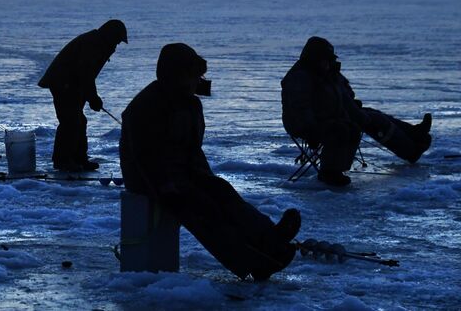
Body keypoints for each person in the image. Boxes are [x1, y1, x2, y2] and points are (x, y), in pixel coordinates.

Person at [120, 43, 300, 280]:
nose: (199, 81)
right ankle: (254, 261)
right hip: (149, 177)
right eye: (194, 75)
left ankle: (269, 237)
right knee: (203, 208)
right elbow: (145, 156)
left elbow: (191, 148)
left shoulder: (189, 102)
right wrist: (167, 187)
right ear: (178, 75)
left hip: (180, 169)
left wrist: (204, 176)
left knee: (222, 191)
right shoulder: (148, 105)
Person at [281, 36, 432, 186]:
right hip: (306, 123)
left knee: (374, 115)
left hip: (332, 114)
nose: (327, 62)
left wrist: (341, 87)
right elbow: (300, 109)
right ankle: (331, 172)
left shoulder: (327, 73)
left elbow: (348, 95)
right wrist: (312, 130)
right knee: (350, 126)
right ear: (314, 58)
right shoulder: (300, 77)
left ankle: (414, 133)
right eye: (325, 59)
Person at [38, 19, 127, 171]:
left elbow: (85, 76)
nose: (116, 46)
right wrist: (93, 98)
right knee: (70, 121)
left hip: (71, 84)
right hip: (62, 83)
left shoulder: (98, 42)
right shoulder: (93, 44)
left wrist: (89, 96)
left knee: (79, 120)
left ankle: (79, 158)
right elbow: (85, 74)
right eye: (117, 41)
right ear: (110, 36)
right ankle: (63, 161)